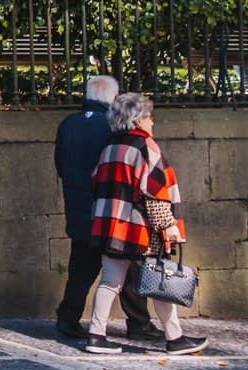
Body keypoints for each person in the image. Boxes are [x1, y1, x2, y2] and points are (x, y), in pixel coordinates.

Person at [84, 93, 208, 355]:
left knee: (110, 282)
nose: (152, 122)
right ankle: (175, 338)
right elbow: (154, 192)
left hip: (109, 225)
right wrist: (168, 226)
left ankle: (96, 335)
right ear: (137, 119)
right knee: (159, 279)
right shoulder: (145, 147)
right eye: (149, 116)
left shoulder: (110, 146)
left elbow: (96, 180)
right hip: (137, 227)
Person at [54, 76, 160, 343]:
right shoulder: (112, 128)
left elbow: (60, 165)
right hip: (111, 206)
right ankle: (138, 321)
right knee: (128, 263)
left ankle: (68, 318)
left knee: (81, 268)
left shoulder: (68, 124)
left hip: (76, 205)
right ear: (113, 98)